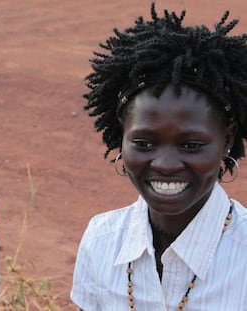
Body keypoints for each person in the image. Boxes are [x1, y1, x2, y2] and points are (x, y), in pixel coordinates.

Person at [71, 4, 247, 311]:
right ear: (121, 139)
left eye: (191, 145)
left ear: (227, 141)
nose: (165, 165)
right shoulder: (101, 240)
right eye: (143, 142)